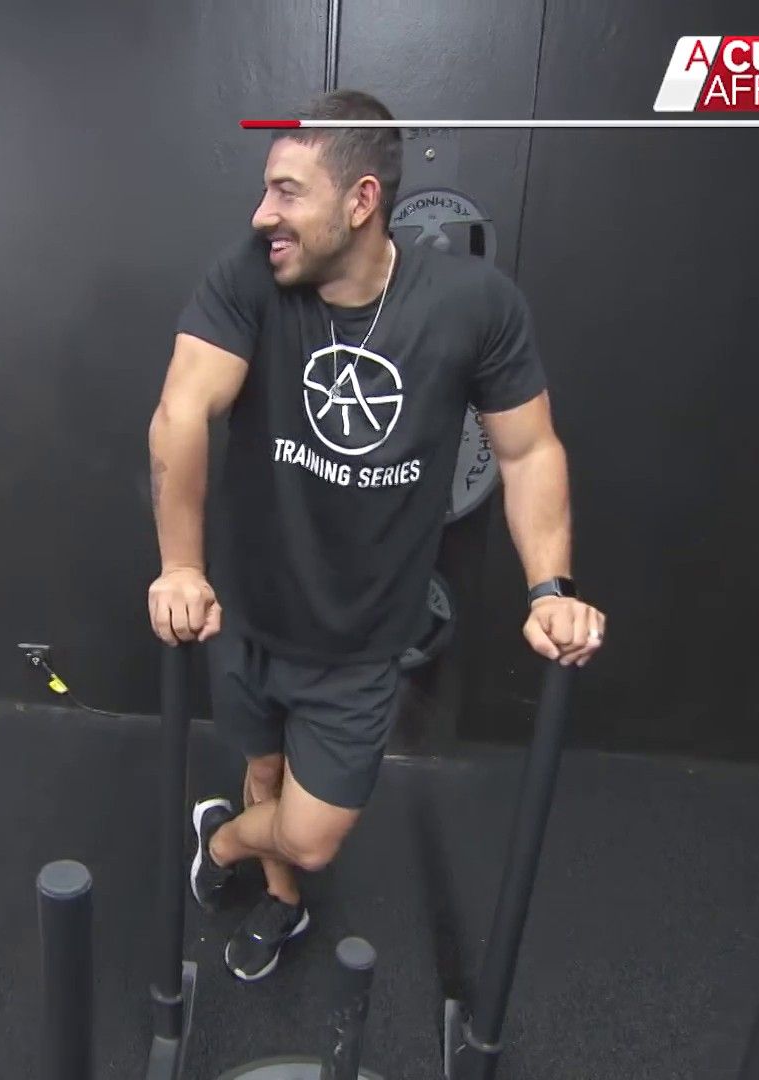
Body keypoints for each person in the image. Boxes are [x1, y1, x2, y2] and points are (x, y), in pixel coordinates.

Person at [146, 90, 607, 983]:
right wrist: (180, 567)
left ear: (361, 200)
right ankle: (281, 903)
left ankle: (226, 843)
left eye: (288, 192)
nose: (263, 214)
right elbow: (182, 411)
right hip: (245, 608)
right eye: (266, 190)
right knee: (264, 773)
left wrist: (551, 589)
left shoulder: (473, 304)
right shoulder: (250, 273)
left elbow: (529, 450)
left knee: (311, 833)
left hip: (359, 635)